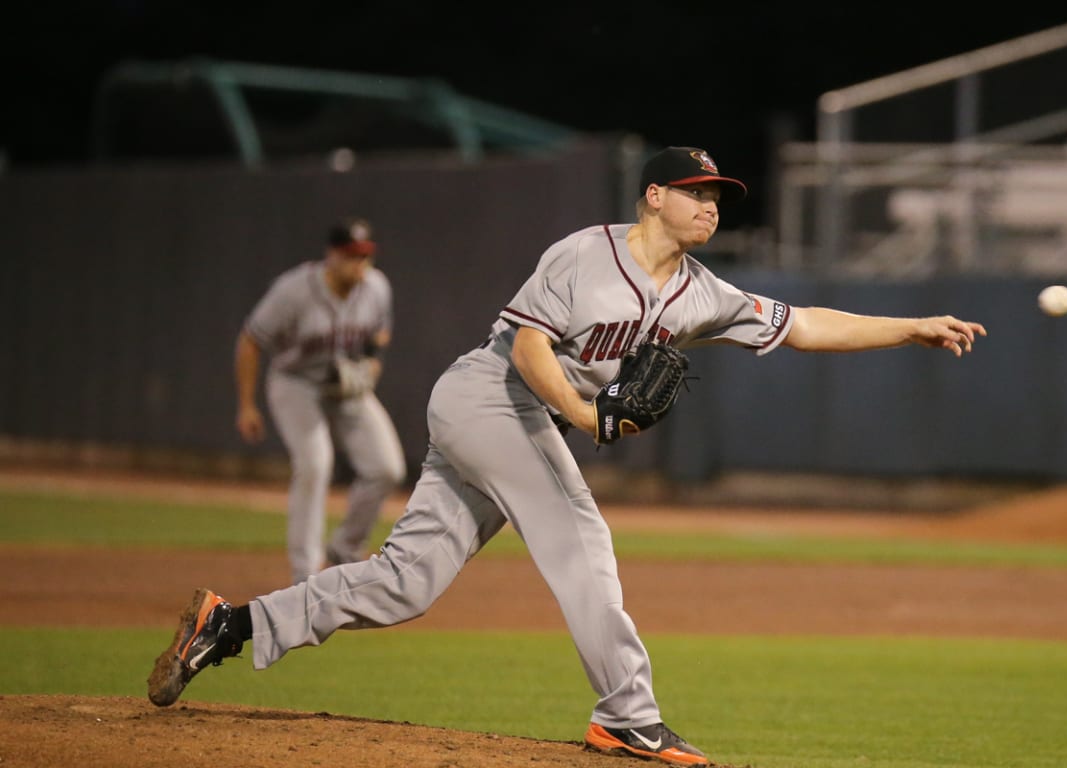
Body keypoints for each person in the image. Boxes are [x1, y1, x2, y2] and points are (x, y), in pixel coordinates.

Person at [148, 147, 986, 767]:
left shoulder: (704, 292)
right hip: (488, 396)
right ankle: (628, 714)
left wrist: (908, 328)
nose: (710, 207)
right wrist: (586, 415)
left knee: (406, 583)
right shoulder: (586, 252)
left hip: (511, 419)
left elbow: (803, 323)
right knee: (580, 535)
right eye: (695, 193)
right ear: (653, 196)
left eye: (718, 198)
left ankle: (230, 625)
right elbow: (528, 351)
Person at [234, 217, 407, 584]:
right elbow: (250, 341)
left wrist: (371, 364)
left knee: (386, 467)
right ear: (331, 255)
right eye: (350, 255)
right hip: (295, 383)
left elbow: (380, 334)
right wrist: (247, 404)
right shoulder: (293, 290)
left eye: (364, 255)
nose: (358, 263)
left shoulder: (376, 287)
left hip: (344, 385)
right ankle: (306, 571)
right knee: (315, 463)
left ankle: (344, 548)